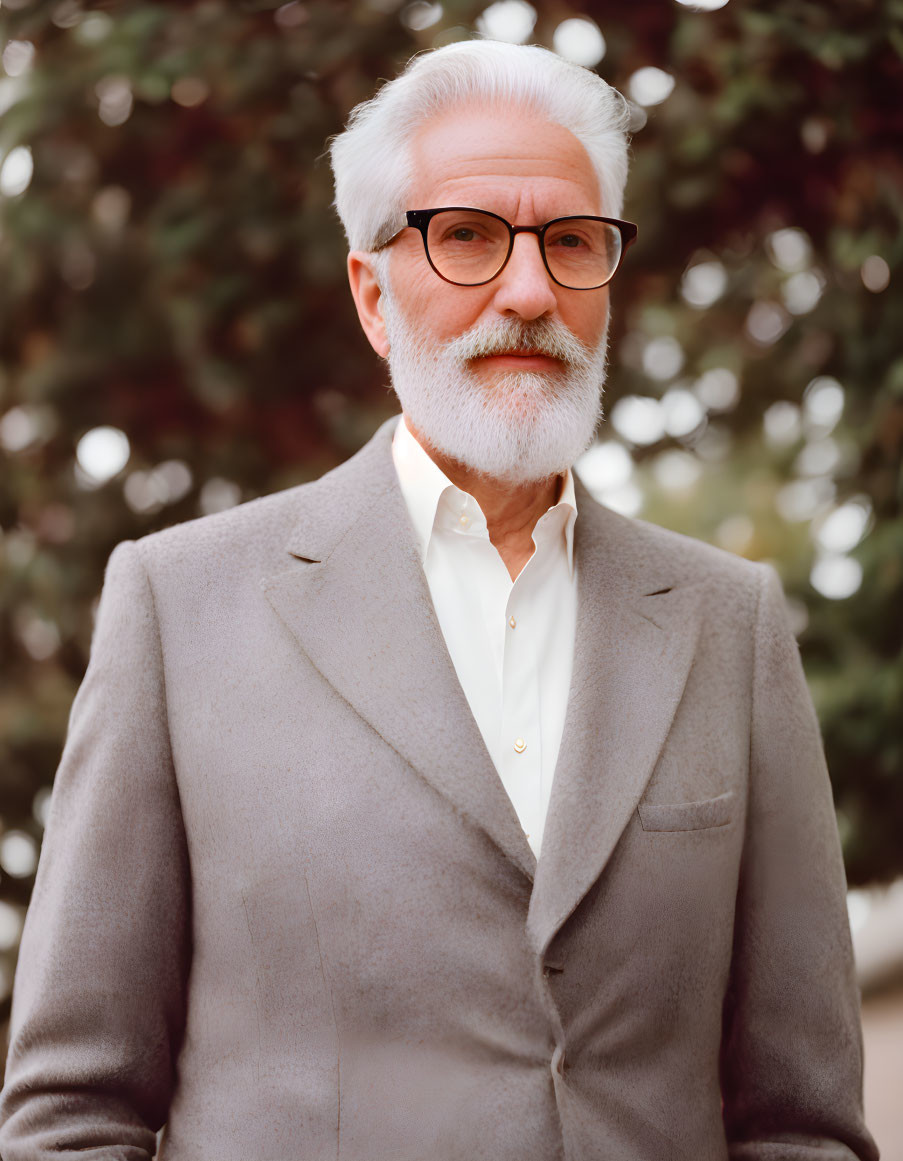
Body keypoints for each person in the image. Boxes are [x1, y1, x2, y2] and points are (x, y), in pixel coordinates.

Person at [0, 38, 878, 1161]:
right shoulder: (179, 608)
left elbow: (802, 1121)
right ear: (372, 294)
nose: (530, 290)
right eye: (465, 236)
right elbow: (73, 1115)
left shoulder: (731, 622)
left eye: (572, 242)